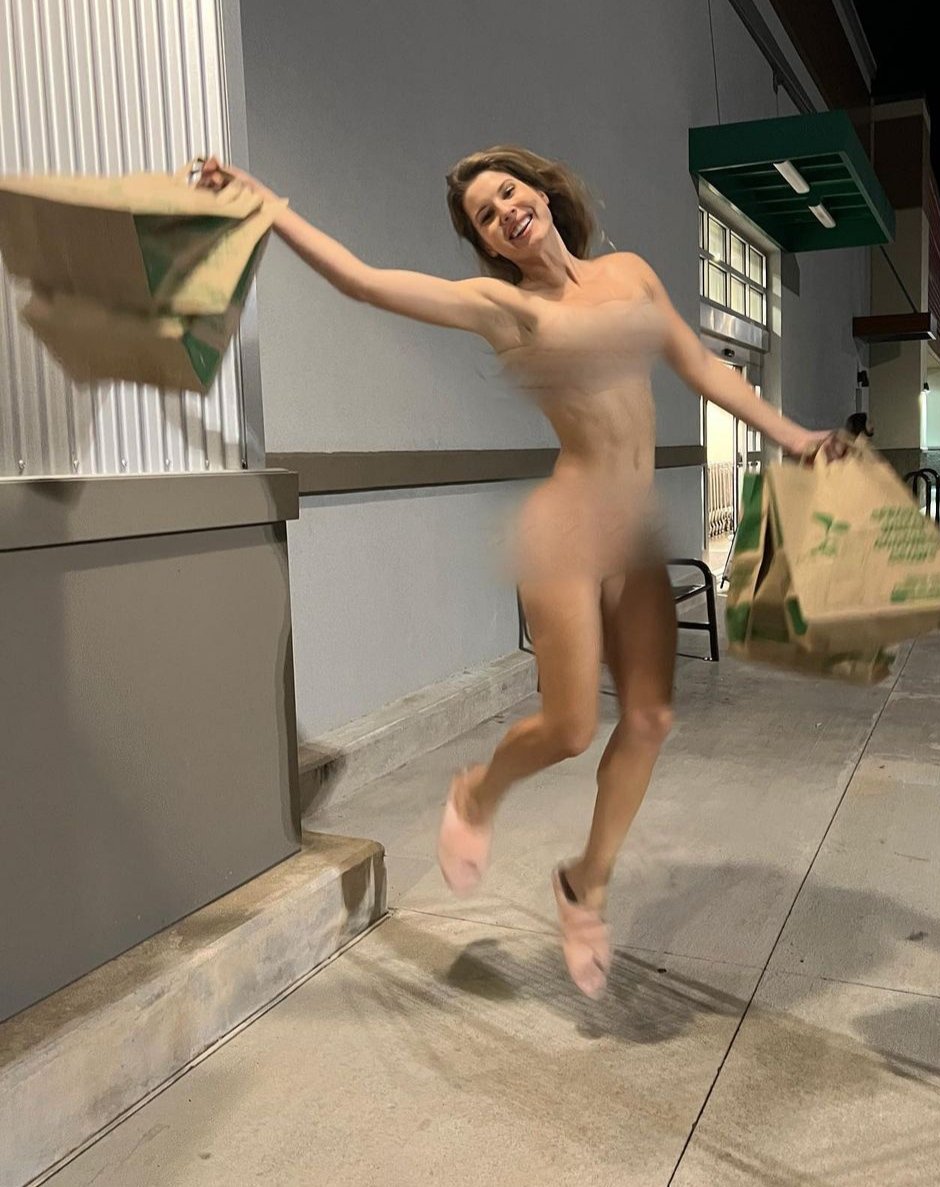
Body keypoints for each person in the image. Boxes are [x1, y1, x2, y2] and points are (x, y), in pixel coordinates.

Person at [198, 147, 842, 999]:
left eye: (508, 192)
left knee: (648, 719)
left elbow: (701, 366)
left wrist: (795, 437)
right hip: (567, 525)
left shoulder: (631, 275)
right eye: (485, 216)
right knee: (570, 728)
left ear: (541, 189)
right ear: (488, 245)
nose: (504, 211)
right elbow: (362, 281)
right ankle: (477, 793)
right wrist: (261, 201)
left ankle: (585, 884)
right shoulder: (504, 307)